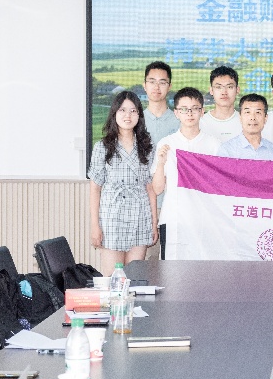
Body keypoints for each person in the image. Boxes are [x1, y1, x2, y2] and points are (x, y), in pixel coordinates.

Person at [88, 91, 157, 276]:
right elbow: (95, 188)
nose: (128, 115)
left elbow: (150, 187)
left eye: (133, 111)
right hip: (112, 216)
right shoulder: (102, 147)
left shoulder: (147, 147)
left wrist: (154, 223)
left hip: (140, 215)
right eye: (122, 110)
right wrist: (95, 226)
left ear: (139, 115)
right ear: (114, 113)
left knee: (135, 278)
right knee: (113, 278)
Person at [152, 87, 221, 260]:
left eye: (195, 108)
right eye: (184, 109)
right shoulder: (166, 144)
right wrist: (161, 163)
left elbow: (220, 185)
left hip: (205, 220)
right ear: (176, 113)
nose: (189, 113)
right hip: (173, 218)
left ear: (202, 112)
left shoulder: (214, 145)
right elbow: (157, 189)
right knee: (171, 270)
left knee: (203, 269)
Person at [142, 61, 179, 261]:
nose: (157, 87)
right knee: (147, 264)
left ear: (169, 86)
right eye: (152, 81)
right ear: (144, 85)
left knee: (172, 262)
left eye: (162, 82)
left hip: (173, 202)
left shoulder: (179, 121)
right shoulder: (135, 120)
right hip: (143, 203)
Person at [217, 94, 273, 160]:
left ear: (265, 118)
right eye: (247, 112)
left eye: (258, 112)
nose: (252, 118)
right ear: (240, 117)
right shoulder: (227, 150)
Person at [199, 66, 241, 142]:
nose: (224, 92)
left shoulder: (246, 122)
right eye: (218, 87)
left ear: (237, 90)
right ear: (211, 90)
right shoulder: (200, 123)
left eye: (229, 87)